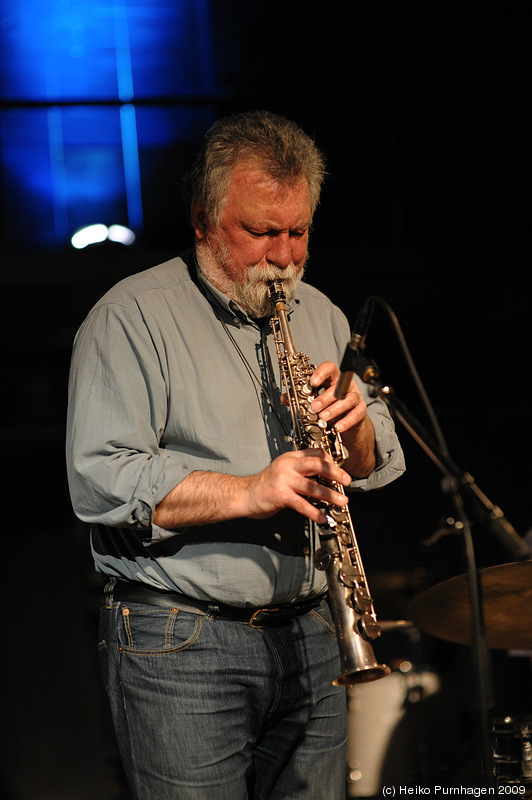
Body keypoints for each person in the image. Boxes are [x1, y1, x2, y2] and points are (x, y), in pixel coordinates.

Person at [66, 110, 405, 800]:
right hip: (181, 644)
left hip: (314, 633)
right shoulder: (130, 317)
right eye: (260, 233)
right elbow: (101, 481)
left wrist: (355, 428)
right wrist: (252, 489)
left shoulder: (322, 313)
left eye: (299, 231)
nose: (284, 256)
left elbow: (376, 460)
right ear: (201, 219)